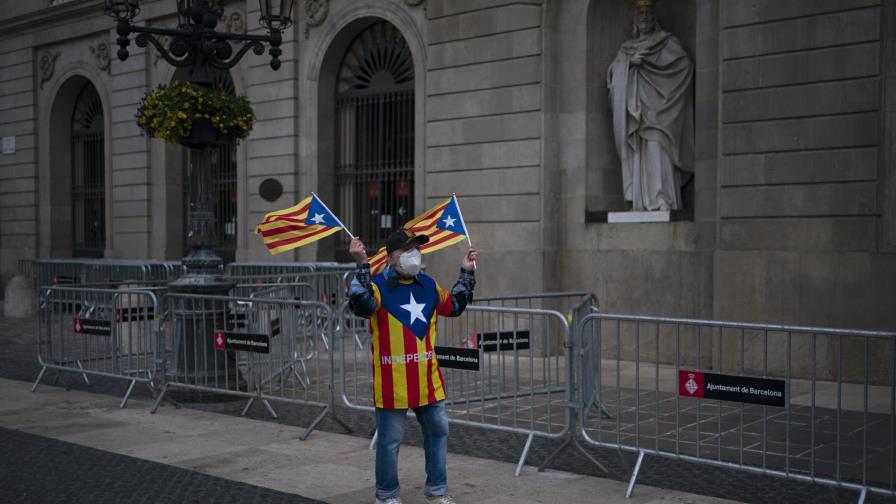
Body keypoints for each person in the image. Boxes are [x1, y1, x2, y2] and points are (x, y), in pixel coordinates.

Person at [348, 229, 479, 504]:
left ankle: (437, 490)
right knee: (389, 442)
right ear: (392, 257)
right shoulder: (376, 285)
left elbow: (454, 305)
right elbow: (362, 305)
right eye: (408, 250)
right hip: (392, 382)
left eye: (417, 249)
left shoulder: (429, 286)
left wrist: (466, 272)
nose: (414, 254)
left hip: (427, 380)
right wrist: (362, 264)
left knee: (438, 433)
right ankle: (386, 495)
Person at [607, 0, 694, 211]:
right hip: (636, 113)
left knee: (658, 152)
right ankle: (641, 201)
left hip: (661, 113)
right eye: (641, 14)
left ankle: (663, 199)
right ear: (635, 21)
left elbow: (684, 66)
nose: (644, 17)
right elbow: (611, 77)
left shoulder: (666, 42)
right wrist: (628, 64)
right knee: (639, 155)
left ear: (654, 18)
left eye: (647, 13)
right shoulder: (626, 49)